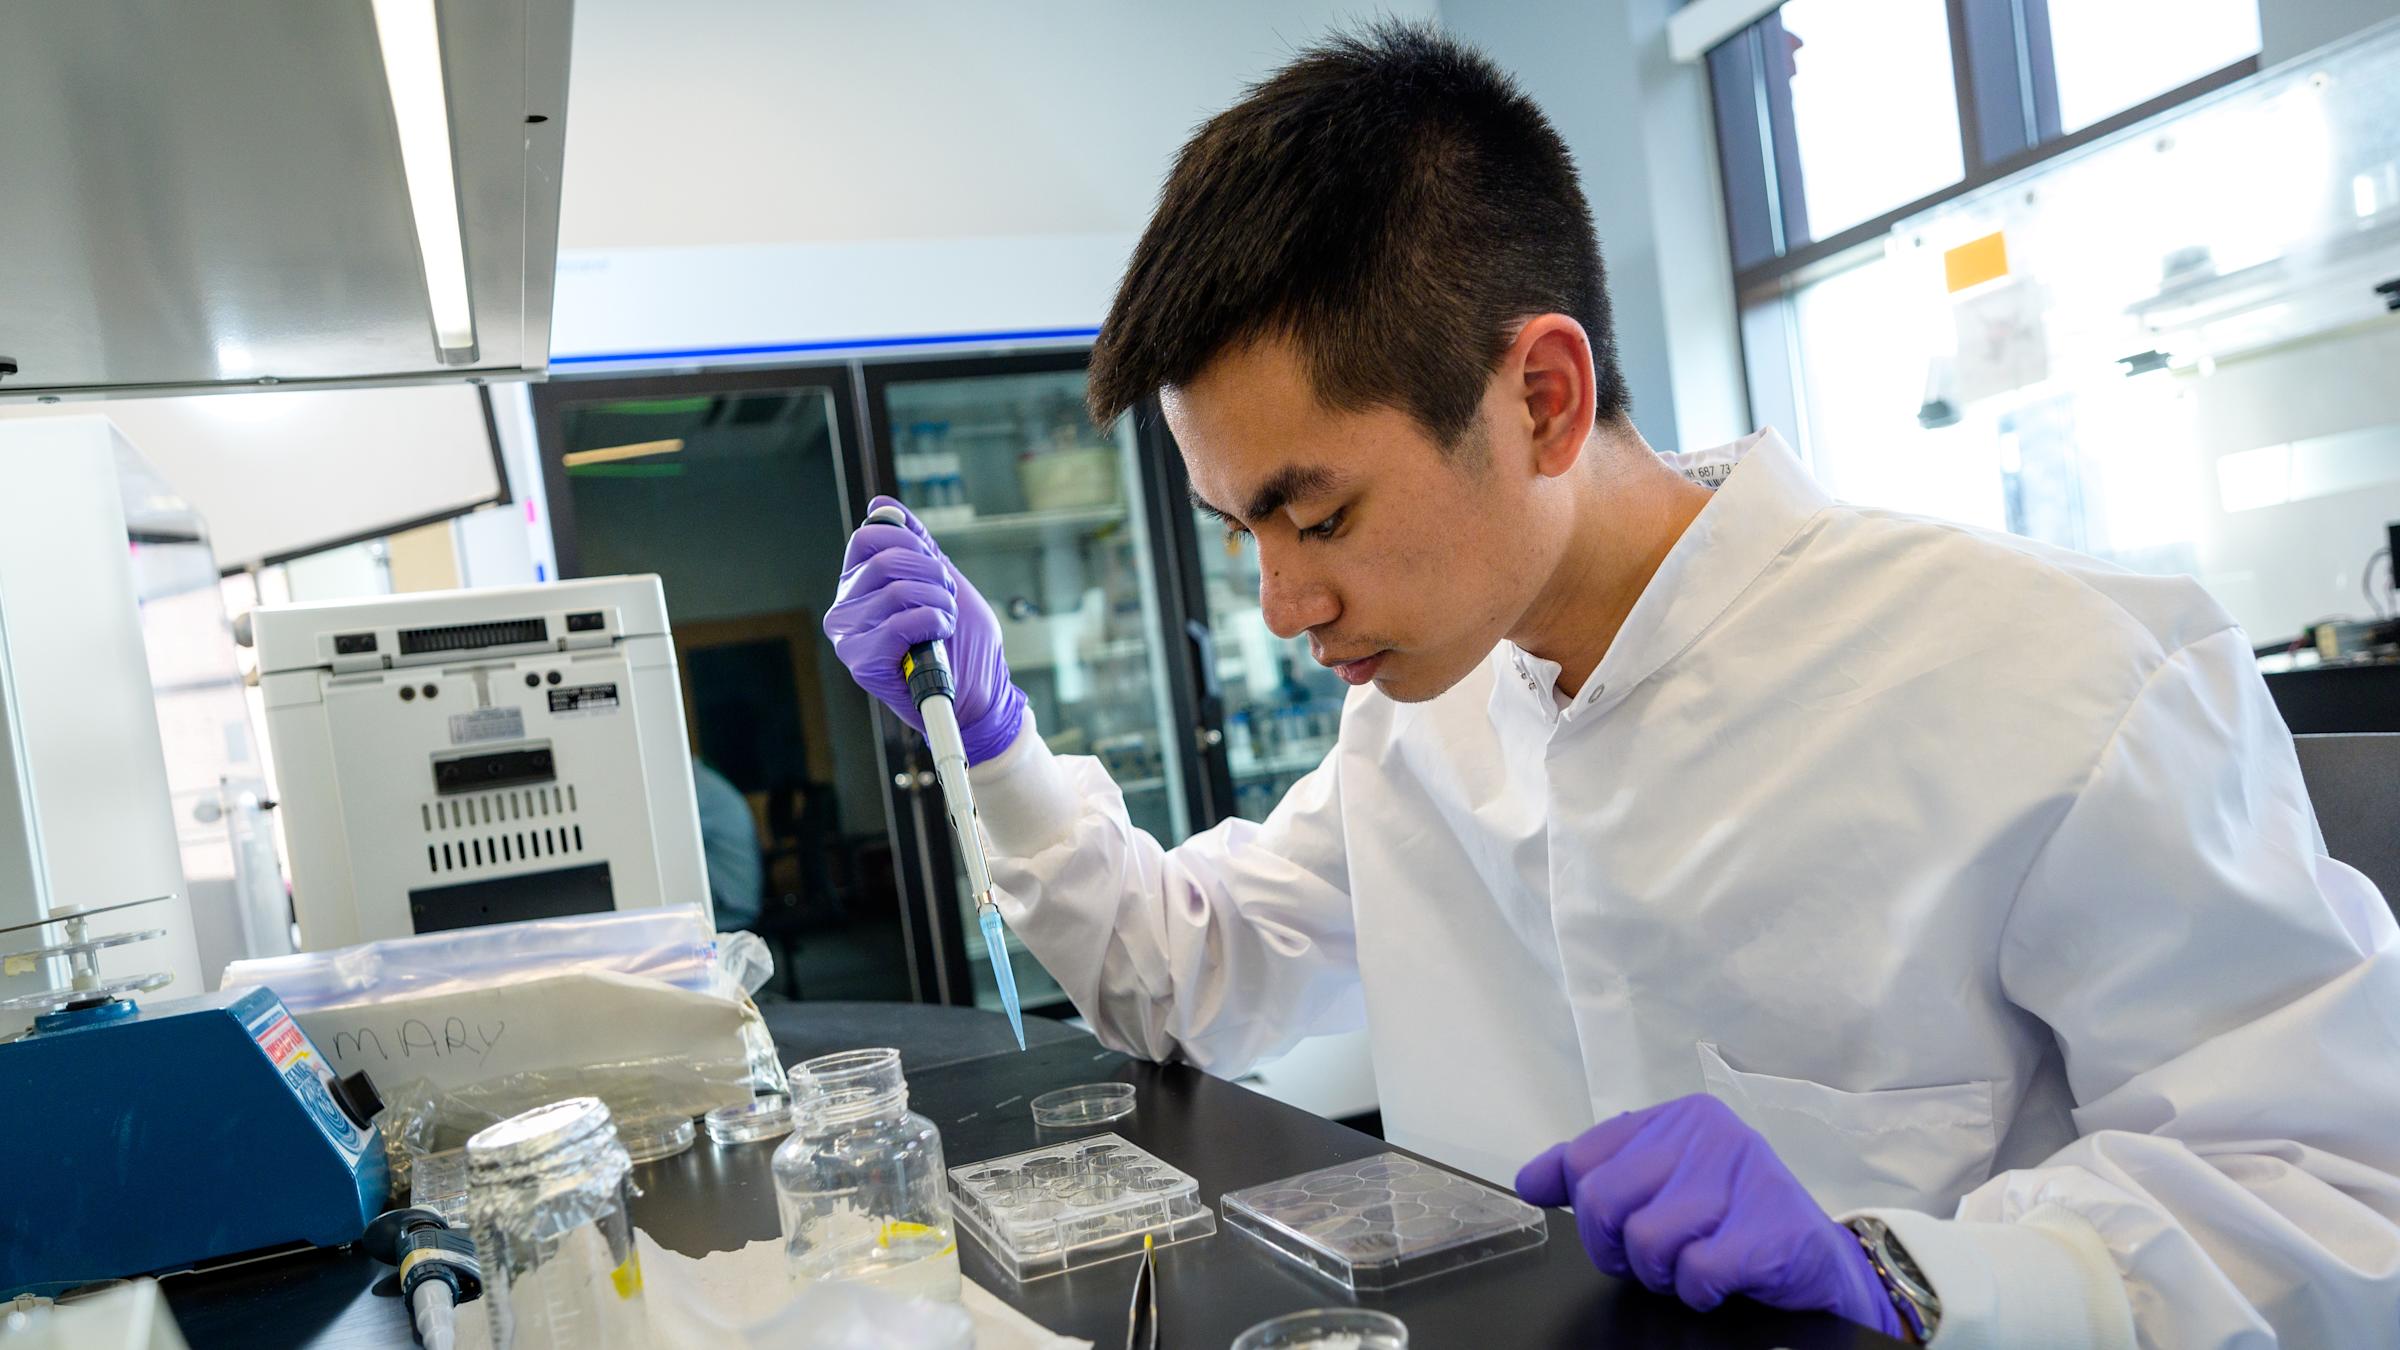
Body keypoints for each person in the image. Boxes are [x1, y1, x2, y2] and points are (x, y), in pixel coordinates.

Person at [825, 24, 2400, 1347]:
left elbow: (2333, 1191)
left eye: (1321, 516)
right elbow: (1191, 976)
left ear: (1544, 396)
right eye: (1244, 531)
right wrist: (1000, 741)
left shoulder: (2058, 676)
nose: (1285, 604)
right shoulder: (1426, 713)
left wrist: (1914, 1273)